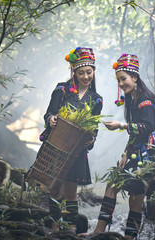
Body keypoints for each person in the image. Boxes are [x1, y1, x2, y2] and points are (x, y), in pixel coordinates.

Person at [83, 53, 155, 239]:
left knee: (130, 196)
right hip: (137, 152)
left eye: (124, 79)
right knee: (119, 189)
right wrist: (126, 153)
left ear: (134, 78)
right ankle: (104, 233)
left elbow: (147, 128)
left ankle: (116, 235)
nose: (121, 84)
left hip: (149, 154)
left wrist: (121, 125)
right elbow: (136, 132)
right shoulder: (133, 98)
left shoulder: (145, 100)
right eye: (118, 80)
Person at [41, 47, 103, 233]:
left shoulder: (96, 99)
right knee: (55, 189)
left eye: (89, 72)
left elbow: (94, 127)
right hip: (57, 146)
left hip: (77, 150)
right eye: (81, 72)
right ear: (74, 72)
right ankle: (54, 227)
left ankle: (71, 228)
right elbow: (50, 112)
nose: (85, 76)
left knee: (71, 191)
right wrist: (50, 119)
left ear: (93, 71)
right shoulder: (62, 89)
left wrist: (90, 140)